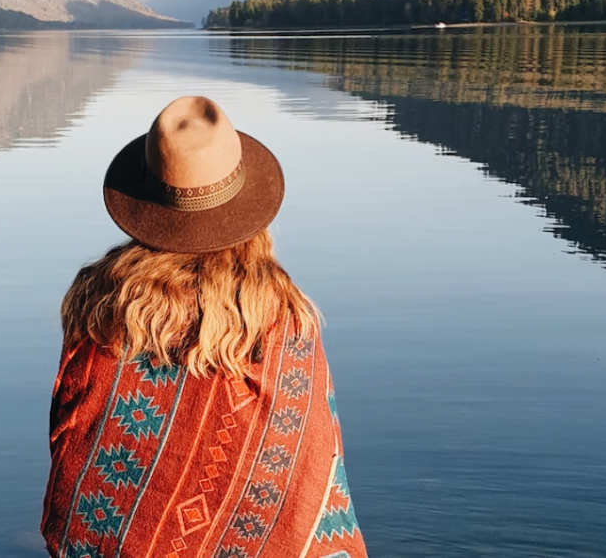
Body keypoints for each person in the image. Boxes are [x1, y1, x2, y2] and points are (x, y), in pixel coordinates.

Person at [42, 96, 367, 558]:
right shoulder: (283, 317)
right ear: (247, 206)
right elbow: (315, 462)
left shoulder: (101, 306)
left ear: (149, 202)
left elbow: (72, 427)